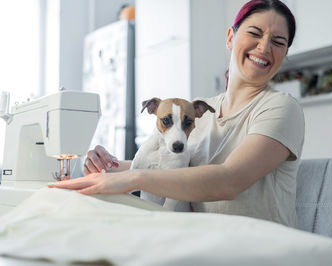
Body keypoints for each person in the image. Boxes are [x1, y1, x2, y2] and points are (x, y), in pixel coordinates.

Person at [49, 0, 305, 227]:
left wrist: (133, 179)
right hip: (201, 242)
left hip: (260, 249)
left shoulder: (281, 108)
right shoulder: (199, 110)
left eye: (278, 42)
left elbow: (229, 181)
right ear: (230, 37)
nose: (264, 47)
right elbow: (170, 167)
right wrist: (109, 167)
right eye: (255, 33)